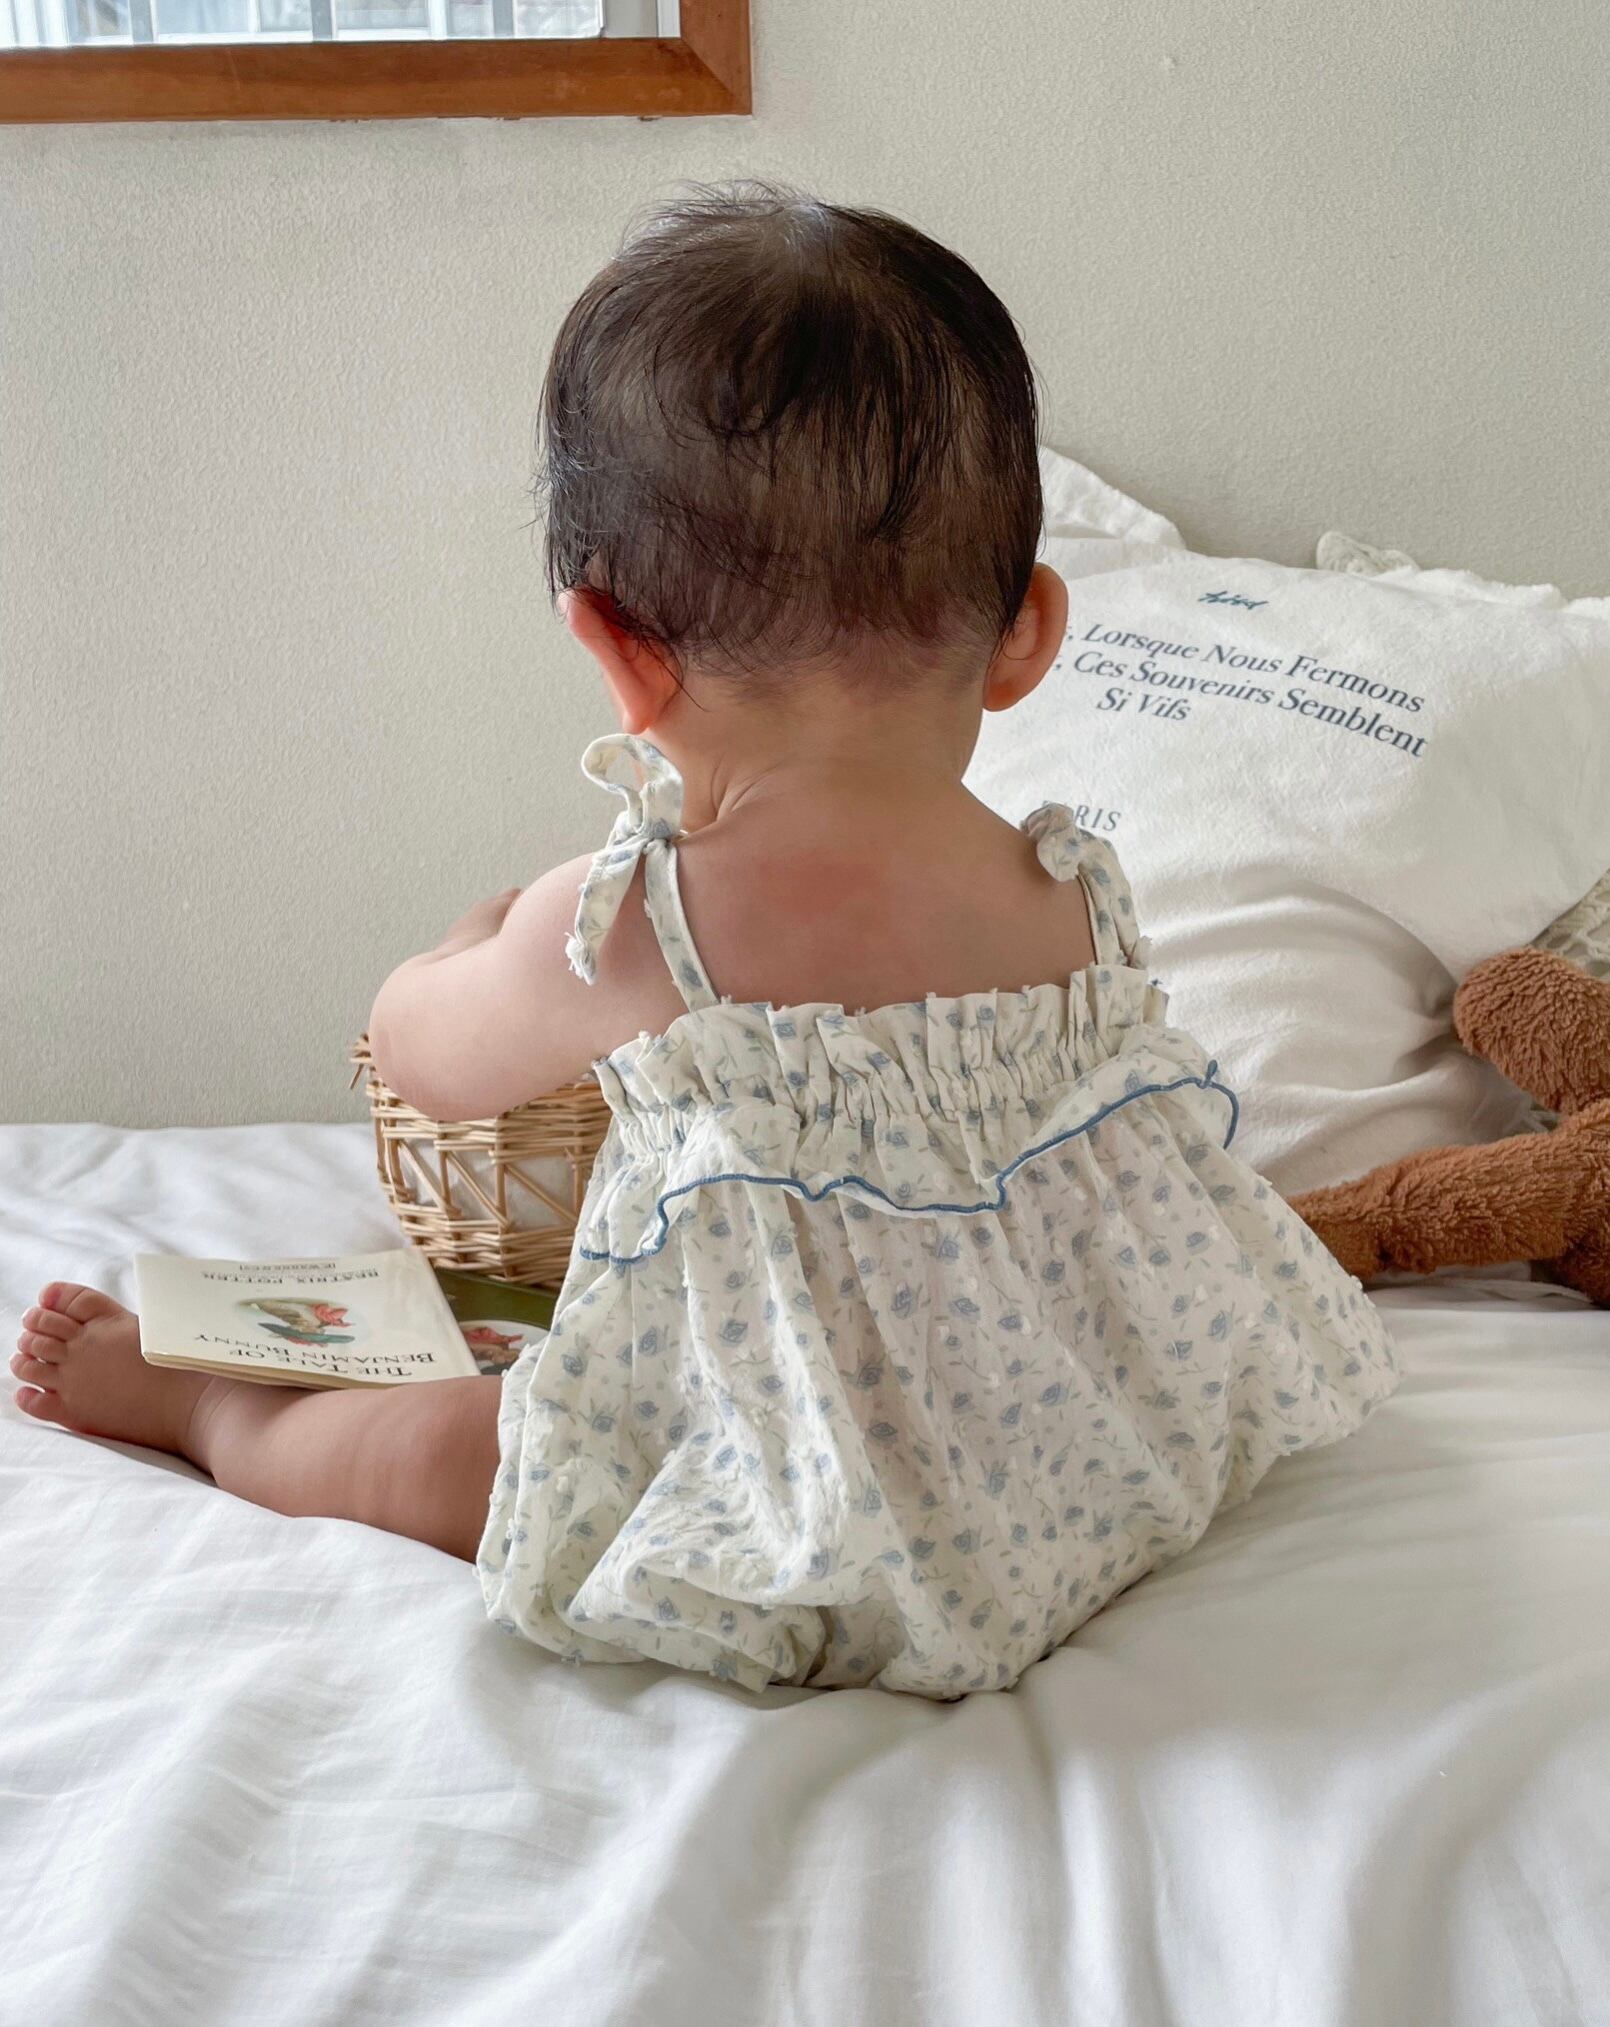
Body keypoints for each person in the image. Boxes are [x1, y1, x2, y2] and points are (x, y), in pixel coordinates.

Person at [13, 185, 1398, 1697]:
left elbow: (425, 1055)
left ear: (615, 647)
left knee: (461, 1454)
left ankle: (212, 1415)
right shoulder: (1069, 884)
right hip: (1066, 1452)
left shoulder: (642, 917)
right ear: (1027, 630)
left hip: (804, 1492)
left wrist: (482, 937)